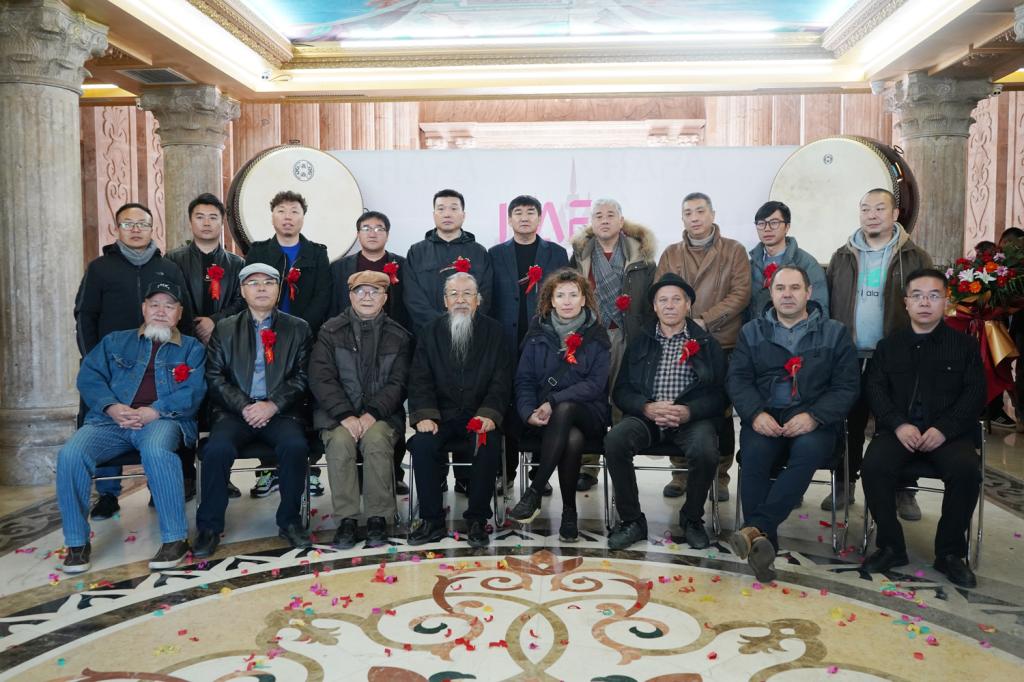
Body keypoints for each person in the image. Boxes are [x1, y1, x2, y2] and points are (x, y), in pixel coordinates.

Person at [58, 281, 205, 573]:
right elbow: (89, 377)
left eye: (169, 306)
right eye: (155, 305)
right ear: (143, 309)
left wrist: (155, 410)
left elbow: (194, 391)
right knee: (70, 454)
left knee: (157, 451)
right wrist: (111, 407)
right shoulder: (115, 341)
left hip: (162, 420)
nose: (161, 311)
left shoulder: (192, 348)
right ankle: (76, 542)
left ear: (179, 313)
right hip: (110, 421)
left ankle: (175, 539)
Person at [727, 266, 859, 582]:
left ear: (809, 292)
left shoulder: (835, 332)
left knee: (808, 452)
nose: (787, 294)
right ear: (771, 293)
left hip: (814, 418)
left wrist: (814, 416)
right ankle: (764, 545)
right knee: (755, 455)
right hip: (766, 416)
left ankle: (755, 528)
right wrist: (755, 414)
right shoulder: (751, 331)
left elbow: (847, 387)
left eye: (795, 288)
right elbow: (738, 380)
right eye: (780, 288)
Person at [860, 269, 985, 588]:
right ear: (906, 303)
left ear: (946, 301)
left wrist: (944, 429)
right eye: (917, 296)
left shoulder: (965, 346)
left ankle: (950, 553)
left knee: (966, 469)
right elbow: (875, 389)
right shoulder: (889, 346)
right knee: (873, 465)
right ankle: (891, 546)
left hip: (947, 434)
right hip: (899, 431)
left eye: (933, 296)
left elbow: (975, 393)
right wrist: (898, 423)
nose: (925, 303)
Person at [74, 202, 193, 520]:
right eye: (128, 224)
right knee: (109, 419)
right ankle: (108, 493)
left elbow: (185, 315)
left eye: (143, 224)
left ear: (153, 228)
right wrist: (93, 360)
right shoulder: (100, 268)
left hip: (160, 365)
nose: (136, 229)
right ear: (117, 229)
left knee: (161, 425)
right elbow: (85, 315)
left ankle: (159, 487)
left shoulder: (167, 268)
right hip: (113, 366)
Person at [193, 264, 313, 558]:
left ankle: (290, 521)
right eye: (253, 283)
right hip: (234, 412)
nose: (261, 288)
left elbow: (302, 376)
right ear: (243, 291)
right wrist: (244, 406)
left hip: (280, 411)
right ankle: (209, 528)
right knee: (216, 450)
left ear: (278, 290)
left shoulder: (298, 328)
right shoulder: (224, 328)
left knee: (295, 446)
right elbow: (214, 376)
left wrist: (272, 405)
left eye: (269, 282)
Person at [826, 188, 932, 516]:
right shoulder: (842, 256)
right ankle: (844, 483)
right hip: (850, 354)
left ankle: (904, 488)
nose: (872, 215)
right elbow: (829, 303)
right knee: (848, 422)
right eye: (865, 209)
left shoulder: (915, 257)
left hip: (897, 355)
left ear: (895, 214)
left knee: (898, 421)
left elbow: (928, 305)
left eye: (879, 208)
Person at [604, 273, 726, 550]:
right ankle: (632, 520)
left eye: (676, 300)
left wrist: (689, 411)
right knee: (615, 440)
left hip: (690, 419)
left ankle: (692, 519)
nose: (669, 305)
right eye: (663, 300)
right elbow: (621, 390)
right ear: (655, 307)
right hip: (648, 417)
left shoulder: (707, 344)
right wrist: (646, 407)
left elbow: (721, 395)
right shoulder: (640, 341)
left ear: (688, 305)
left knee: (706, 450)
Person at [656, 192, 751, 503]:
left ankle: (720, 476)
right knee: (678, 402)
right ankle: (681, 472)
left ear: (712, 214)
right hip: (678, 341)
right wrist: (683, 323)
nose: (694, 218)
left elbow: (741, 294)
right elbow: (660, 292)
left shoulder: (734, 250)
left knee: (720, 410)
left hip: (721, 341)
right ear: (682, 218)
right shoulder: (670, 253)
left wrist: (704, 321)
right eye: (688, 213)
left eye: (700, 211)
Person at [405, 272, 512, 548]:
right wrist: (424, 415)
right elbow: (419, 378)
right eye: (454, 294)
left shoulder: (495, 332)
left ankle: (477, 519)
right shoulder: (429, 332)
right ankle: (431, 520)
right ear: (445, 301)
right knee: (422, 444)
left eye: (467, 294)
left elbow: (502, 379)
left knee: (487, 444)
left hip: (479, 415)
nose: (460, 299)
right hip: (440, 416)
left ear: (478, 300)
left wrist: (489, 413)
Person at [310, 271, 412, 549]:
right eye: (360, 291)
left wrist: (371, 414)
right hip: (337, 416)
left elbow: (399, 383)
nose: (367, 297)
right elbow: (321, 377)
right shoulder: (330, 331)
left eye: (374, 291)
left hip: (382, 415)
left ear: (385, 298)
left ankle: (378, 517)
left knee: (376, 440)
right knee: (340, 442)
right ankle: (347, 519)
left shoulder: (399, 336)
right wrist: (345, 414)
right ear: (350, 296)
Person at [507, 269, 610, 541]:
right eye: (560, 295)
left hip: (589, 413)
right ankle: (569, 513)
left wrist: (553, 401)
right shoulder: (537, 332)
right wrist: (527, 412)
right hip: (544, 417)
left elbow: (595, 385)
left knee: (566, 410)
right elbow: (524, 380)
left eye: (573, 295)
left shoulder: (597, 335)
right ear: (551, 300)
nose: (567, 301)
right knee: (571, 439)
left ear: (584, 299)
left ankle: (535, 490)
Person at [245, 190, 331, 498]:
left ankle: (309, 469)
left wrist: (299, 330)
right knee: (266, 396)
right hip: (265, 336)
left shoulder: (316, 253)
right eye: (281, 210)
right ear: (272, 216)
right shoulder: (258, 251)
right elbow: (249, 290)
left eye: (294, 211)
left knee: (307, 401)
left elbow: (323, 296)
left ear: (303, 217)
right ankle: (268, 468)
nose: (288, 217)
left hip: (306, 337)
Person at [568, 198, 656, 490]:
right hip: (590, 336)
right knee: (590, 398)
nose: (604, 220)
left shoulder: (641, 255)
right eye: (598, 216)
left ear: (621, 220)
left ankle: (621, 465)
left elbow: (650, 301)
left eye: (610, 215)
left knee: (621, 399)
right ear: (592, 223)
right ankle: (588, 466)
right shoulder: (580, 254)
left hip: (627, 335)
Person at [166, 193, 246, 498]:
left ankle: (221, 475)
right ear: (190, 221)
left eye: (213, 217)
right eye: (200, 217)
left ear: (221, 222)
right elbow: (168, 299)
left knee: (220, 411)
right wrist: (193, 327)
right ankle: (184, 476)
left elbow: (241, 302)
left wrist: (215, 322)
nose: (207, 223)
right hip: (182, 345)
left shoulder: (236, 263)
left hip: (222, 347)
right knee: (183, 408)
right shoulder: (172, 260)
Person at [488, 195, 570, 491]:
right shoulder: (495, 254)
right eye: (518, 213)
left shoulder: (556, 253)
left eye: (530, 212)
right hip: (506, 343)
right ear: (509, 219)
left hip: (545, 343)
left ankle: (539, 474)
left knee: (543, 401)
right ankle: (506, 471)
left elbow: (565, 294)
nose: (524, 217)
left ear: (540, 218)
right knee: (508, 405)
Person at [328, 210, 412, 494]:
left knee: (390, 408)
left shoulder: (402, 265)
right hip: (349, 345)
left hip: (391, 347)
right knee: (353, 407)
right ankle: (357, 475)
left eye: (379, 228)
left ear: (387, 234)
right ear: (358, 234)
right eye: (366, 228)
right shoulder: (341, 267)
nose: (372, 233)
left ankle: (392, 473)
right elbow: (334, 307)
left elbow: (409, 305)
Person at [404, 189, 493, 335]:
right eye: (441, 209)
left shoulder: (479, 252)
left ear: (463, 215)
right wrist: (438, 325)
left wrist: (464, 322)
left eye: (453, 208)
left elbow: (485, 294)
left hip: (470, 332)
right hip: (427, 333)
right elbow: (413, 297)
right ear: (434, 215)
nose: (447, 214)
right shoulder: (417, 252)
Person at [747, 200, 828, 319]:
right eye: (761, 223)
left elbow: (819, 309)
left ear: (787, 227)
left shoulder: (807, 264)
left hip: (796, 329)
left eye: (774, 223)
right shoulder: (750, 265)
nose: (767, 228)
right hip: (757, 330)